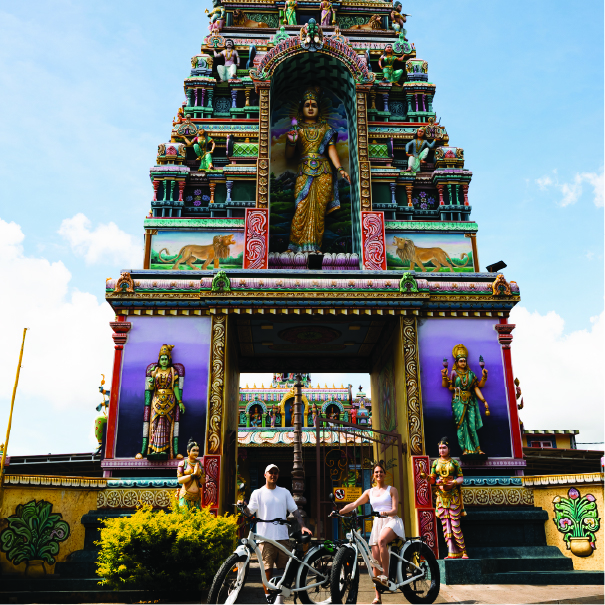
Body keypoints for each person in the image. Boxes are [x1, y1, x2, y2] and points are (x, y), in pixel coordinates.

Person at [285, 86, 350, 253]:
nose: (310, 108)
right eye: (307, 105)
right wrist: (291, 141)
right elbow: (289, 155)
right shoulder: (297, 129)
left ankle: (315, 247)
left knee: (319, 212)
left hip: (324, 171)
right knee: (300, 207)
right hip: (304, 170)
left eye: (314, 105)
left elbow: (331, 149)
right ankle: (294, 246)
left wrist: (340, 169)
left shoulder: (325, 128)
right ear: (301, 108)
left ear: (319, 109)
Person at [238, 464, 311, 604]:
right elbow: (249, 512)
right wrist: (242, 506)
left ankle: (279, 599)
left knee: (286, 571)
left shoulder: (284, 492)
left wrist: (303, 526)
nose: (273, 475)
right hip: (265, 538)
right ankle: (269, 599)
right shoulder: (258, 493)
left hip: (282, 537)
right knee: (267, 570)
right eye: (270, 472)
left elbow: (295, 510)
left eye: (275, 472)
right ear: (265, 475)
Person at [331, 462, 403, 603]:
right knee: (374, 561)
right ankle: (378, 596)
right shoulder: (369, 492)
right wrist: (339, 512)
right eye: (376, 472)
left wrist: (386, 512)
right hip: (377, 524)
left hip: (391, 521)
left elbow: (395, 510)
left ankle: (386, 576)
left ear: (384, 474)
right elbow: (354, 504)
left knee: (382, 540)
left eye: (381, 472)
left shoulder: (392, 490)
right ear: (373, 476)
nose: (379, 474)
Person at [441, 343, 488, 455]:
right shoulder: (453, 373)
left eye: (464, 361)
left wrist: (484, 399)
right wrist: (444, 377)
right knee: (461, 426)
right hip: (458, 401)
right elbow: (447, 386)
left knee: (472, 425)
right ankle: (465, 449)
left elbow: (477, 387)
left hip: (470, 401)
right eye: (461, 361)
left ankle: (478, 449)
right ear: (456, 362)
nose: (463, 363)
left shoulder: (471, 374)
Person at [427, 437, 468, 559]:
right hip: (441, 497)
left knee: (455, 525)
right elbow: (432, 479)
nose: (441, 450)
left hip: (453, 496)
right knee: (446, 526)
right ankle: (452, 552)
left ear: (449, 449)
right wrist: (428, 478)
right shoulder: (435, 463)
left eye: (444, 448)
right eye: (440, 448)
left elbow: (461, 478)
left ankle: (463, 551)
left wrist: (454, 482)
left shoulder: (454, 463)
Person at [177, 438, 206, 509]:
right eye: (193, 450)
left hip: (197, 497)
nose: (196, 453)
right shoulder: (183, 463)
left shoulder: (200, 464)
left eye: (197, 451)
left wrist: (198, 475)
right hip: (185, 496)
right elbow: (180, 480)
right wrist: (193, 475)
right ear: (188, 451)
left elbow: (203, 482)